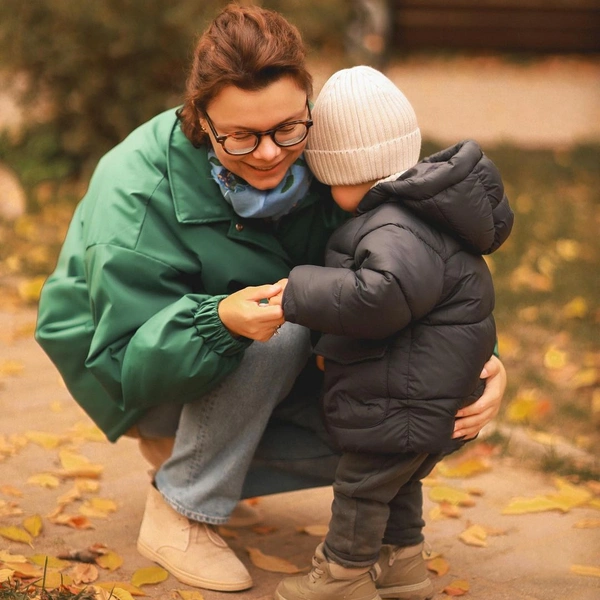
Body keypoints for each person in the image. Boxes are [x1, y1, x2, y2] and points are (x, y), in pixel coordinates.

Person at [34, 4, 508, 594]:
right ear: (199, 120)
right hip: (137, 367)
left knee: (425, 411)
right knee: (281, 328)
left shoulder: (329, 155)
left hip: (271, 353)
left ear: (308, 108)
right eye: (240, 136)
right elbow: (125, 362)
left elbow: (411, 265)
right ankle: (181, 504)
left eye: (286, 128)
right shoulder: (136, 190)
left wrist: (479, 361)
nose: (268, 153)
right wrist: (218, 320)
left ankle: (214, 456)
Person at [274, 66, 514, 600]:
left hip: (403, 396)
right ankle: (400, 563)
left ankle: (342, 576)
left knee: (361, 486)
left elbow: (379, 299)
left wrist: (298, 290)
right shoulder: (419, 216)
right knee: (396, 482)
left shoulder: (393, 227)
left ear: (341, 170)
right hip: (424, 390)